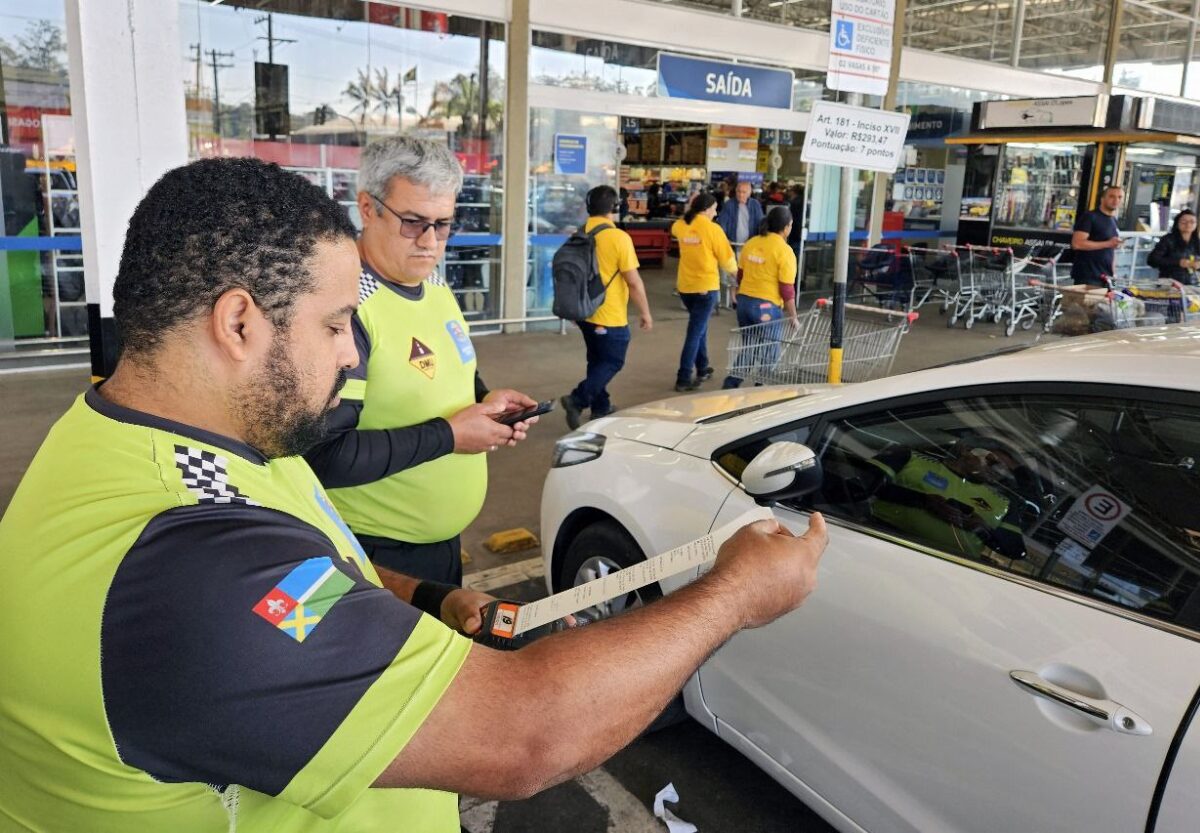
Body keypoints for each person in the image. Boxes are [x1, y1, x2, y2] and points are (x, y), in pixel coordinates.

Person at [0, 156, 830, 831]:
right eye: (333, 327)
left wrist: (427, 598)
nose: (354, 357)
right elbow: (528, 734)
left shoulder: (191, 441)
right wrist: (736, 592)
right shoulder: (191, 570)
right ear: (240, 322)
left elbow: (319, 563)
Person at [304, 137, 538, 590]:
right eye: (413, 223)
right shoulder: (345, 308)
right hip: (371, 556)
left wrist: (487, 401)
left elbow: (456, 375)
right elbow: (323, 455)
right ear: (368, 208)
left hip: (442, 545)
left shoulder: (435, 289)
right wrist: (450, 436)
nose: (430, 242)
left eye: (443, 224)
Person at [559, 185, 653, 429]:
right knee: (613, 361)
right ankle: (577, 400)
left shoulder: (580, 232)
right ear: (615, 208)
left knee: (597, 360)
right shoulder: (618, 237)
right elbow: (633, 282)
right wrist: (645, 312)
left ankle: (601, 407)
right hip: (608, 315)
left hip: (584, 312)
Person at [849, 437, 1030, 562]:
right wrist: (923, 501)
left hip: (951, 570)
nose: (999, 472)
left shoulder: (1004, 504)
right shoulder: (909, 458)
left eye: (1007, 471)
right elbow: (857, 489)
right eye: (993, 461)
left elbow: (1015, 550)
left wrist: (983, 529)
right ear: (966, 450)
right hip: (881, 545)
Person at [723, 205, 799, 389]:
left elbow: (740, 275)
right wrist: (794, 317)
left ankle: (730, 386)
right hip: (766, 308)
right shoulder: (785, 251)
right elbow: (786, 289)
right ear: (787, 227)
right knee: (770, 350)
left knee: (749, 346)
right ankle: (762, 389)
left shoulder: (751, 243)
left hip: (744, 304)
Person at [671, 192, 736, 391]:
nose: (715, 213)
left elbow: (675, 228)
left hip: (685, 287)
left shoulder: (682, 225)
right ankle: (683, 377)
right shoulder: (712, 229)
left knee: (700, 328)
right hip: (705, 288)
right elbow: (726, 259)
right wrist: (738, 277)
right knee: (695, 331)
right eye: (714, 209)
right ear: (706, 209)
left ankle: (702, 367)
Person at [1070, 186, 1124, 287]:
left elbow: (1111, 250)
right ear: (1102, 199)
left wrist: (1113, 273)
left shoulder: (1113, 220)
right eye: (1112, 196)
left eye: (1120, 197)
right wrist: (1108, 243)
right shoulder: (1090, 217)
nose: (1116, 200)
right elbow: (1077, 243)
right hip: (1088, 276)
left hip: (1105, 277)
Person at [1147, 209, 1200, 285]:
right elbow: (1152, 260)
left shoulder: (1199, 242)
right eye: (1184, 221)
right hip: (1169, 283)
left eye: (1192, 222)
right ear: (1177, 223)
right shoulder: (1168, 240)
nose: (1188, 224)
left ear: (1196, 225)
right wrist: (1178, 262)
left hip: (1192, 284)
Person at [717, 179, 765, 251]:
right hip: (732, 244)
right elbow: (722, 224)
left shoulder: (755, 205)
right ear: (735, 191)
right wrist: (725, 239)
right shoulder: (728, 205)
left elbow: (761, 225)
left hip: (751, 245)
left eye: (744, 192)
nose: (740, 194)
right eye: (738, 191)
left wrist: (756, 240)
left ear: (749, 193)